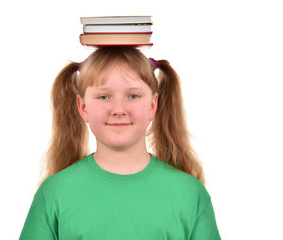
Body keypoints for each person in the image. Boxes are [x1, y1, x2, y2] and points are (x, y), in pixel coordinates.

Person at [19, 46, 221, 240]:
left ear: (152, 106)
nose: (118, 109)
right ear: (83, 107)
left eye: (133, 96)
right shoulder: (54, 192)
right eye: (104, 96)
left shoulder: (189, 192)